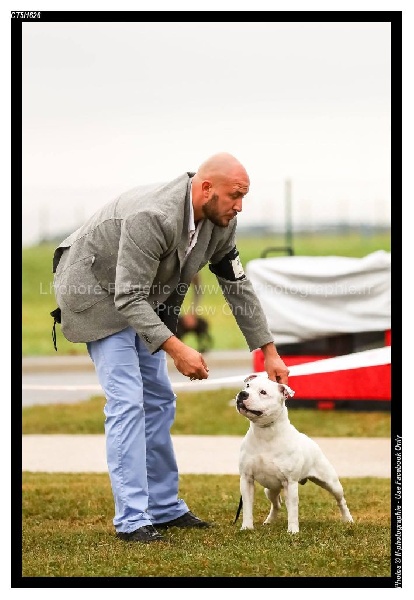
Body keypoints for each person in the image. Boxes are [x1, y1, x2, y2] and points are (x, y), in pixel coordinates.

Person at [51, 152, 290, 544]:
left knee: (159, 399)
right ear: (206, 188)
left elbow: (236, 284)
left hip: (140, 297)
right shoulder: (153, 217)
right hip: (95, 294)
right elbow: (127, 296)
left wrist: (269, 351)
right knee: (128, 401)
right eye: (235, 195)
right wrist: (178, 349)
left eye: (243, 197)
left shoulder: (220, 222)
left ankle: (163, 507)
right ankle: (132, 518)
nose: (239, 206)